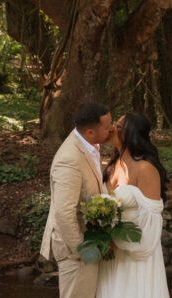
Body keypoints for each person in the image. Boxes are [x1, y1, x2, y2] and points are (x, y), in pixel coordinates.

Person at [41, 101, 113, 298]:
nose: (112, 129)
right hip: (77, 249)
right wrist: (80, 250)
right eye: (107, 127)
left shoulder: (90, 145)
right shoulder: (69, 159)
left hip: (89, 241)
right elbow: (64, 212)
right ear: (90, 132)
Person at [96, 112, 170, 298]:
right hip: (111, 257)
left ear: (132, 133)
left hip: (135, 260)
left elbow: (151, 226)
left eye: (119, 125)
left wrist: (115, 242)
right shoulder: (113, 165)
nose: (112, 128)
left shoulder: (146, 168)